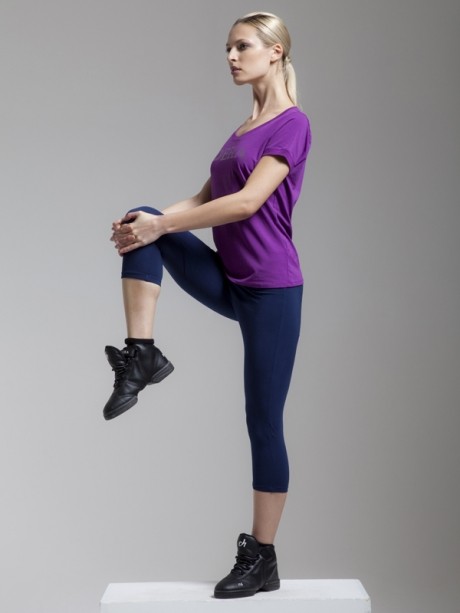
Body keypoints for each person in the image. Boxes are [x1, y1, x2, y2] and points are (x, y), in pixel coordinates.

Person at [104, 11, 312, 599]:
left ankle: (263, 556)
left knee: (262, 422)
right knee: (146, 217)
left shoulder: (292, 125)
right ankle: (142, 354)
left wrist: (161, 225)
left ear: (274, 51)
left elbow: (246, 203)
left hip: (271, 290)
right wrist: (142, 226)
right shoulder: (243, 129)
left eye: (242, 46)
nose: (230, 56)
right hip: (230, 276)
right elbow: (203, 198)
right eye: (227, 48)